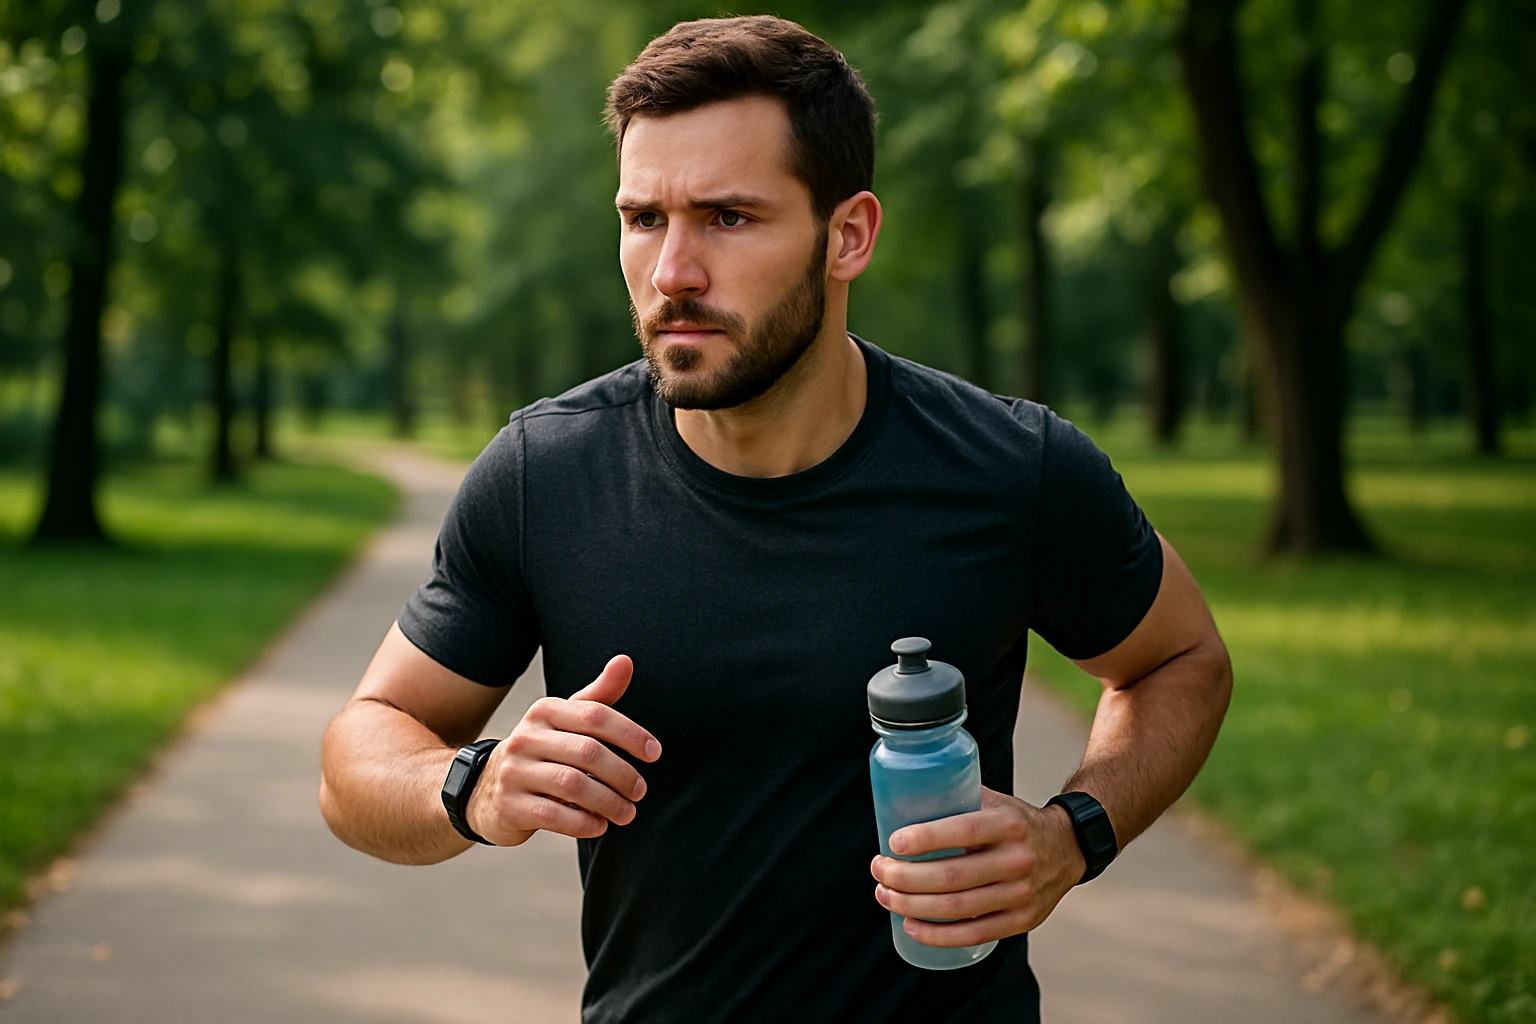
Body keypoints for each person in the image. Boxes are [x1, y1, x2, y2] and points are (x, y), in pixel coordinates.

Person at [319, 14, 1232, 1023]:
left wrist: (1073, 835)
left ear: (849, 236)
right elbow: (360, 752)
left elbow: (1180, 660)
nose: (672, 271)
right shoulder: (546, 475)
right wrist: (472, 786)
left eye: (728, 218)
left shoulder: (1011, 468)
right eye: (643, 218)